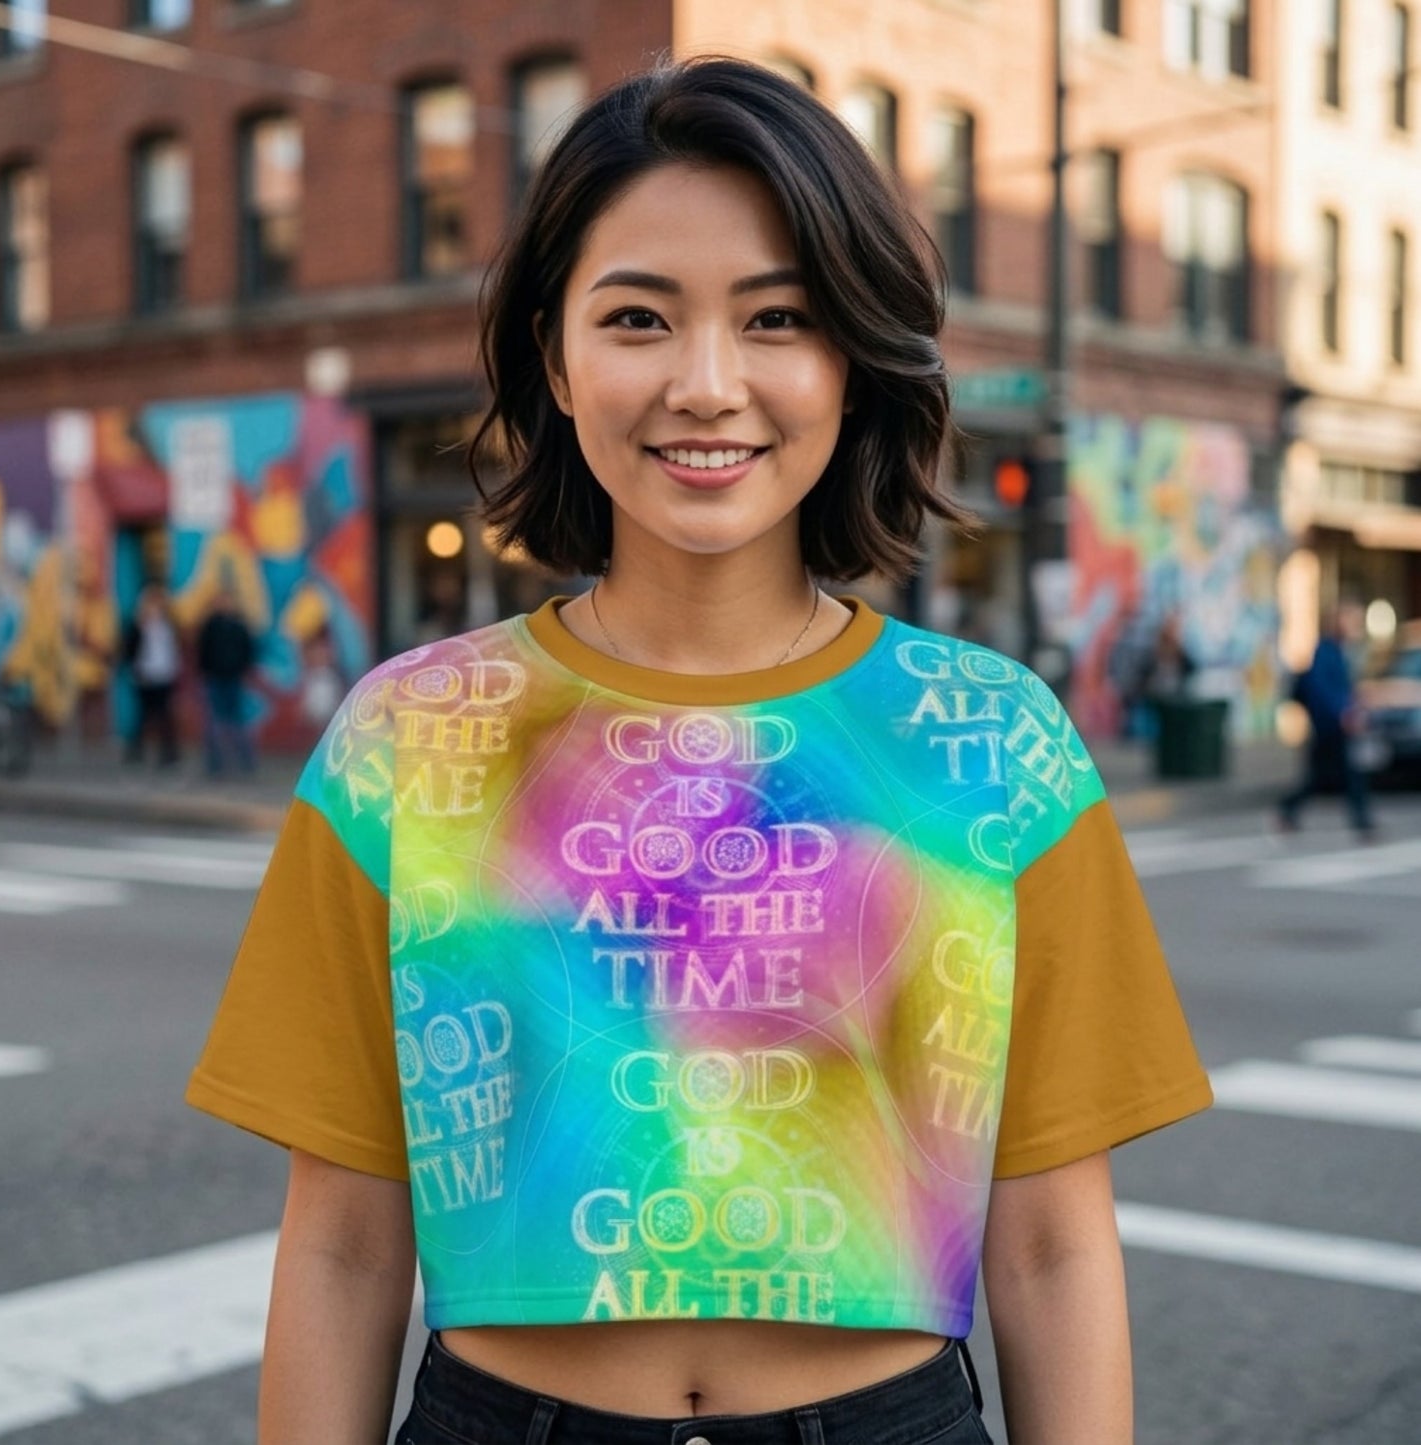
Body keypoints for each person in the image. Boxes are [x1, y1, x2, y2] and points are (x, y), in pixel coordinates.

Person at [188, 58, 1211, 1445]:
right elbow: (343, 1247)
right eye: (638, 318)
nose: (707, 384)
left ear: (851, 359)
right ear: (555, 357)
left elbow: (1050, 1248)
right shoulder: (403, 737)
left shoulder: (995, 740)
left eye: (778, 317)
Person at [1279, 610, 1375, 838]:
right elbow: (1322, 689)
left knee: (1327, 775)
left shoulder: (1340, 652)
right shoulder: (1326, 651)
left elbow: (1343, 688)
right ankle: (1361, 820)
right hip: (1329, 725)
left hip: (1336, 723)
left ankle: (1289, 809)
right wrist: (1342, 713)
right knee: (1344, 774)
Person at [197, 584, 257, 776]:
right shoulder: (210, 626)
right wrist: (206, 671)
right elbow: (203, 651)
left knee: (237, 721)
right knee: (214, 722)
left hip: (234, 678)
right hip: (215, 678)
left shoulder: (239, 626)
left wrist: (241, 668)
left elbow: (247, 649)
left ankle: (246, 761)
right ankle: (215, 763)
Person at [122, 583, 181, 766]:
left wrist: (173, 670)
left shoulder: (167, 626)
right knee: (143, 716)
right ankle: (135, 751)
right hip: (145, 675)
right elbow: (129, 650)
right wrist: (136, 670)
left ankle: (168, 754)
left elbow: (172, 651)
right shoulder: (139, 627)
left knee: (165, 717)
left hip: (164, 676)